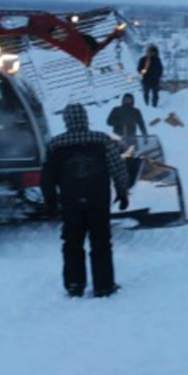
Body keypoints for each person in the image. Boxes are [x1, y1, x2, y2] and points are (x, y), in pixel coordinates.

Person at [41, 104, 130, 298]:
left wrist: (50, 203)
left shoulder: (55, 145)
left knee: (72, 243)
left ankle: (74, 285)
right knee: (101, 242)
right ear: (85, 118)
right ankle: (104, 286)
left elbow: (47, 178)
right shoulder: (102, 140)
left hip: (71, 202)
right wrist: (122, 192)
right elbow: (118, 168)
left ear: (66, 120)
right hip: (98, 200)